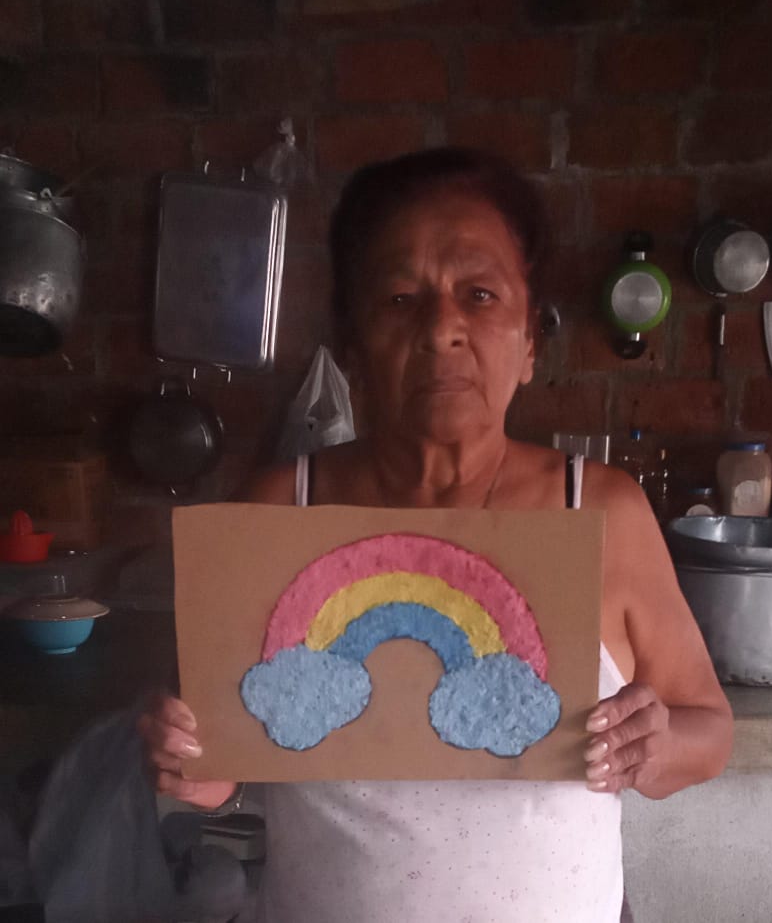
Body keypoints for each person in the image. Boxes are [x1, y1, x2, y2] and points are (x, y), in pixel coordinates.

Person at [138, 147, 733, 922]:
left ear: (529, 343)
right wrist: (189, 760)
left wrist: (656, 746)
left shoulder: (601, 512)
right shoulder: (280, 512)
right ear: (352, 348)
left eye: (480, 295)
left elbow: (708, 731)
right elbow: (221, 762)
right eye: (399, 297)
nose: (442, 328)